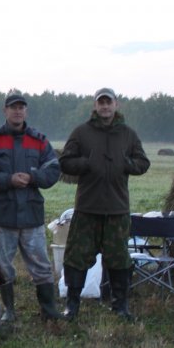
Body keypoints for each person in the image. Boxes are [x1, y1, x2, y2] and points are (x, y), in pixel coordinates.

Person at [58, 87, 150, 321]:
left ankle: (120, 306)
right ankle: (72, 306)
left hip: (117, 210)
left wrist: (125, 163)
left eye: (109, 102)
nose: (105, 106)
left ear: (116, 105)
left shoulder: (128, 134)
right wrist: (86, 163)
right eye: (101, 102)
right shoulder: (81, 132)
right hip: (87, 208)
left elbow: (143, 163)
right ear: (95, 106)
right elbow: (65, 162)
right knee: (76, 258)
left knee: (119, 259)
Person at [0, 89, 62, 321]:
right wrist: (8, 180)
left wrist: (33, 177)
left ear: (26, 111)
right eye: (13, 107)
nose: (17, 111)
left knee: (41, 265)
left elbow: (53, 171)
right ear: (5, 110)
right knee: (2, 266)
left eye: (21, 107)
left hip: (31, 215)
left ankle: (49, 311)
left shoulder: (39, 141)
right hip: (3, 215)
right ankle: (9, 311)